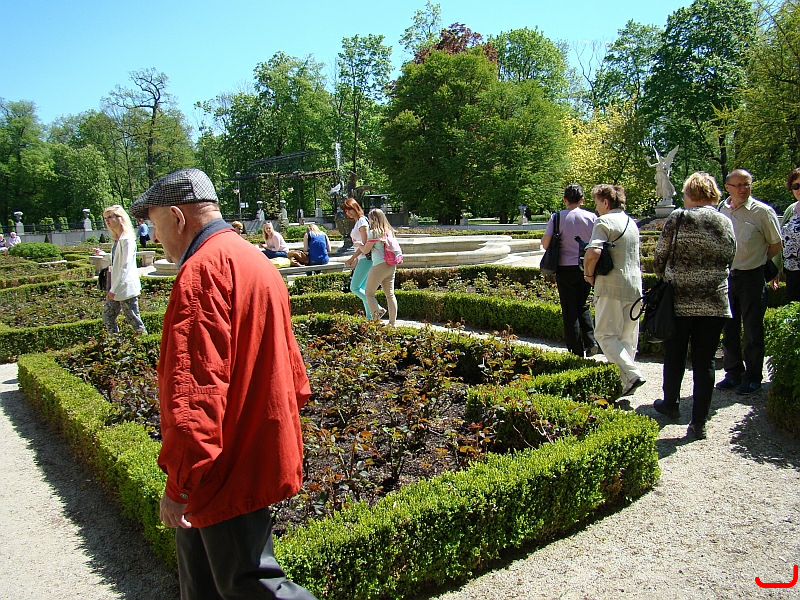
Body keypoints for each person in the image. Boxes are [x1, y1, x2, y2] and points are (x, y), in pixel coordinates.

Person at [130, 168, 317, 600]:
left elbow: (194, 395)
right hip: (245, 451)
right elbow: (295, 377)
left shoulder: (201, 272)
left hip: (223, 467)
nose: (154, 237)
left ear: (177, 217)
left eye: (154, 224)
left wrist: (180, 484)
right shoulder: (253, 259)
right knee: (204, 584)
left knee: (253, 587)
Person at [652, 173, 736, 440]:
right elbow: (731, 255)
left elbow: (660, 255)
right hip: (714, 301)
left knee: (674, 355)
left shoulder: (679, 217)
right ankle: (699, 422)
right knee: (705, 361)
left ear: (689, 193)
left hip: (679, 299)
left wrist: (666, 276)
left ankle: (671, 404)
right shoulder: (724, 220)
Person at [716, 169, 782, 395]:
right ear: (728, 188)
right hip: (727, 276)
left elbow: (775, 244)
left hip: (752, 276)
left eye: (747, 184)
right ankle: (733, 373)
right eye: (738, 185)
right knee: (729, 328)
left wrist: (758, 260)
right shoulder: (721, 210)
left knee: (753, 329)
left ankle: (753, 377)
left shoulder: (762, 212)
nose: (743, 189)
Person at [583, 184, 646, 398]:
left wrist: (588, 274)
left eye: (597, 203)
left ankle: (632, 374)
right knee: (626, 337)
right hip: (634, 286)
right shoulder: (631, 223)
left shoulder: (604, 221)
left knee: (605, 335)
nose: (596, 208)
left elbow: (593, 252)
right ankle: (625, 383)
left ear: (606, 202)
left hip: (611, 285)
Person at [541, 184, 599, 357]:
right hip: (586, 267)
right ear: (582, 200)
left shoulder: (557, 217)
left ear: (565, 199)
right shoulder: (592, 217)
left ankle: (576, 352)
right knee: (582, 304)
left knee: (569, 310)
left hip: (565, 268)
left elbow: (545, 244)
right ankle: (591, 341)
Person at [94, 206, 147, 334]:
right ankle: (115, 342)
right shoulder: (119, 238)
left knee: (134, 321)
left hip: (124, 287)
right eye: (105, 218)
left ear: (120, 218)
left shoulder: (127, 239)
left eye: (110, 217)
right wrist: (103, 254)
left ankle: (145, 343)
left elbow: (125, 266)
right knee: (108, 317)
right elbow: (117, 259)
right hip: (117, 286)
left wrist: (114, 290)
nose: (107, 220)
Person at [346, 208, 399, 326]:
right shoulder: (389, 231)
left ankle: (376, 322)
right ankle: (392, 323)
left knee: (369, 293)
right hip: (391, 265)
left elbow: (365, 250)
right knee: (390, 294)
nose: (368, 221)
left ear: (373, 219)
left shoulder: (374, 232)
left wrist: (359, 244)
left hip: (379, 265)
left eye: (369, 219)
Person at [342, 197, 378, 319]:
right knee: (363, 289)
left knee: (354, 287)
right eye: (346, 211)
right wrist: (355, 260)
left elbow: (364, 244)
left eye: (350, 209)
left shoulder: (362, 221)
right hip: (364, 258)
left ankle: (377, 308)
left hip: (366, 258)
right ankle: (370, 317)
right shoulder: (359, 221)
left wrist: (352, 258)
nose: (348, 213)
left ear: (356, 207)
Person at [776, 167, 800, 302]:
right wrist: (776, 270)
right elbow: (780, 240)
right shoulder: (791, 210)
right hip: (792, 272)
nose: (799, 190)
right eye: (796, 186)